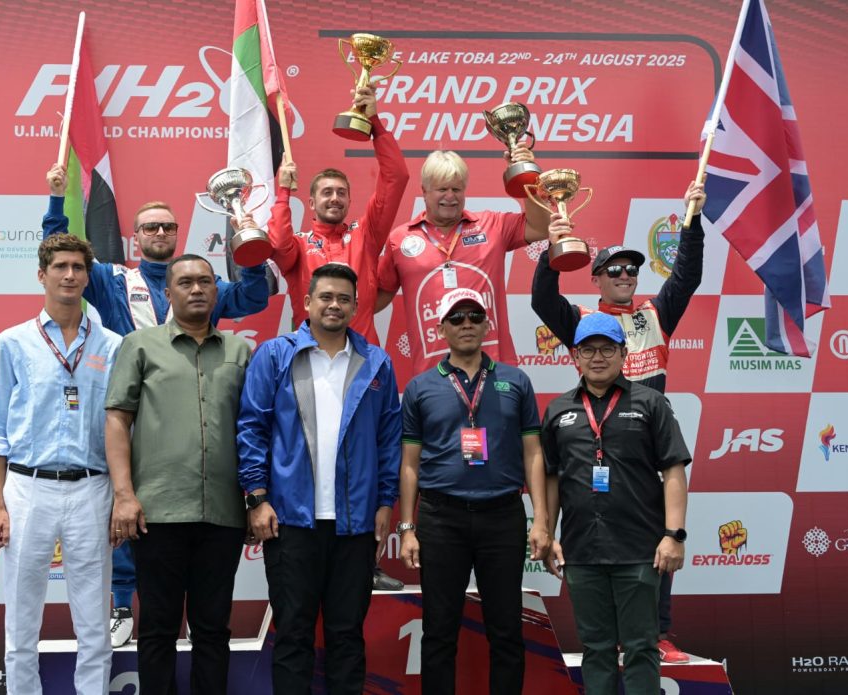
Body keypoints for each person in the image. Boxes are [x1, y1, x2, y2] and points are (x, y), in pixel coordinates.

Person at [44, 164, 270, 647]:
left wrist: (246, 242)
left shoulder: (198, 285)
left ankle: (182, 615)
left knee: (176, 533)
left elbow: (255, 296)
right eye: (151, 227)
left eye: (168, 226)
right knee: (127, 507)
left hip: (184, 413)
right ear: (136, 236)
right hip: (127, 410)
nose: (160, 233)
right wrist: (57, 202)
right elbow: (61, 257)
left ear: (178, 233)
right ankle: (122, 603)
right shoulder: (112, 279)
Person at [530, 181, 705, 661]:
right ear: (597, 279)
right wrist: (551, 249)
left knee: (660, 536)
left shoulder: (656, 313)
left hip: (647, 443)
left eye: (632, 269)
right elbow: (543, 300)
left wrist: (692, 222)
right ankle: (608, 639)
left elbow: (687, 276)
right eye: (614, 269)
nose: (625, 276)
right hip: (596, 444)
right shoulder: (584, 321)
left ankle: (658, 634)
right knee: (600, 544)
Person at [237, 263, 402, 694]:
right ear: (307, 302)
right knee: (293, 634)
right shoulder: (275, 355)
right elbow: (252, 427)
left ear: (355, 307)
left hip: (355, 525)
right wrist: (257, 497)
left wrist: (386, 501)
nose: (334, 305)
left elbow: (389, 440)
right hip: (290, 522)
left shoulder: (376, 363)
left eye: (344, 299)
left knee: (347, 635)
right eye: (325, 297)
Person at [104, 254, 251, 695]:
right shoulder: (140, 345)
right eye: (185, 283)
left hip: (223, 513)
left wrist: (256, 498)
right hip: (158, 512)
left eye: (206, 281)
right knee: (158, 628)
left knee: (212, 629)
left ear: (217, 290)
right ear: (168, 294)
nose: (197, 289)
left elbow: (254, 429)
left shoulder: (240, 351)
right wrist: (124, 495)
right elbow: (117, 420)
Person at [0, 234, 121, 695]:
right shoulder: (12, 342)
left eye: (78, 267)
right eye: (60, 266)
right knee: (21, 623)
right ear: (41, 275)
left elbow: (123, 427)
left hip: (92, 487)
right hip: (27, 488)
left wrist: (122, 494)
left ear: (87, 276)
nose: (69, 275)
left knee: (94, 623)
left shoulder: (112, 345)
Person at [397, 288, 551, 695]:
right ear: (441, 328)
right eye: (456, 318)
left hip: (502, 517)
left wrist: (541, 520)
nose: (466, 324)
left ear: (487, 324)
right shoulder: (420, 387)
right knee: (439, 631)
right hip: (440, 519)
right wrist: (408, 527)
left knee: (507, 631)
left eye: (474, 317)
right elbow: (409, 464)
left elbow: (533, 453)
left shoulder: (516, 381)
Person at [540, 313, 690, 694]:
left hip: (640, 551)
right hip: (581, 553)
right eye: (588, 350)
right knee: (596, 649)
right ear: (575, 356)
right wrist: (548, 533)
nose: (598, 357)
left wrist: (674, 535)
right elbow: (552, 477)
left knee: (641, 648)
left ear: (624, 354)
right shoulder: (558, 410)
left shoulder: (651, 403)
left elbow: (673, 470)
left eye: (607, 349)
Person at [376, 148, 570, 374]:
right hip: (433, 375)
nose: (450, 196)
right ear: (424, 191)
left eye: (457, 189)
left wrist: (525, 175)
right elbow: (378, 297)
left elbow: (540, 228)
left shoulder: (492, 226)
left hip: (495, 370)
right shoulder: (400, 239)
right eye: (442, 189)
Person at [268, 85, 408, 344]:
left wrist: (374, 123)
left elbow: (396, 177)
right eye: (327, 192)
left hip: (362, 358)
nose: (335, 198)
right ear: (311, 203)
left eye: (341, 193)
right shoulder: (299, 246)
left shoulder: (365, 235)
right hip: (310, 357)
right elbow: (277, 244)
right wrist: (284, 190)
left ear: (349, 201)